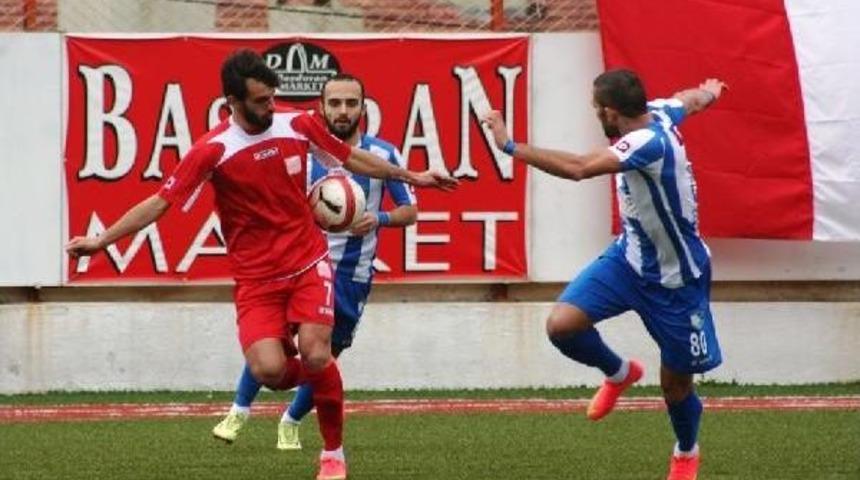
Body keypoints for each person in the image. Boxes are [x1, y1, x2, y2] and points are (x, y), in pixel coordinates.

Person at [65, 49, 455, 480]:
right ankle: (319, 373)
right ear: (232, 100)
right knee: (269, 370)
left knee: (316, 352)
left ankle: (333, 453)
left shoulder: (295, 122)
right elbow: (159, 203)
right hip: (256, 279)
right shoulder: (212, 150)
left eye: (272, 97)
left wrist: (412, 177)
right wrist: (101, 240)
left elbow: (350, 158)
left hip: (309, 262)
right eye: (260, 101)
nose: (271, 106)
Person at [482, 69, 725, 480]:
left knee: (676, 386)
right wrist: (709, 92)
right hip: (628, 261)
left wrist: (509, 145)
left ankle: (686, 451)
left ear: (611, 112)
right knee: (561, 325)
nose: (595, 114)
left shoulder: (647, 142)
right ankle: (620, 373)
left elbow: (579, 167)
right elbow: (689, 99)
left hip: (676, 279)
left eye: (597, 109)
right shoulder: (660, 112)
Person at [212, 73, 418, 451]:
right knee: (270, 340)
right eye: (335, 103)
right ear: (321, 107)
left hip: (351, 275)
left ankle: (290, 421)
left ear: (363, 107)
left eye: (351, 103)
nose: (343, 111)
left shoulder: (385, 155)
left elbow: (410, 210)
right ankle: (239, 409)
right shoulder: (301, 150)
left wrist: (381, 218)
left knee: (323, 355)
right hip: (301, 265)